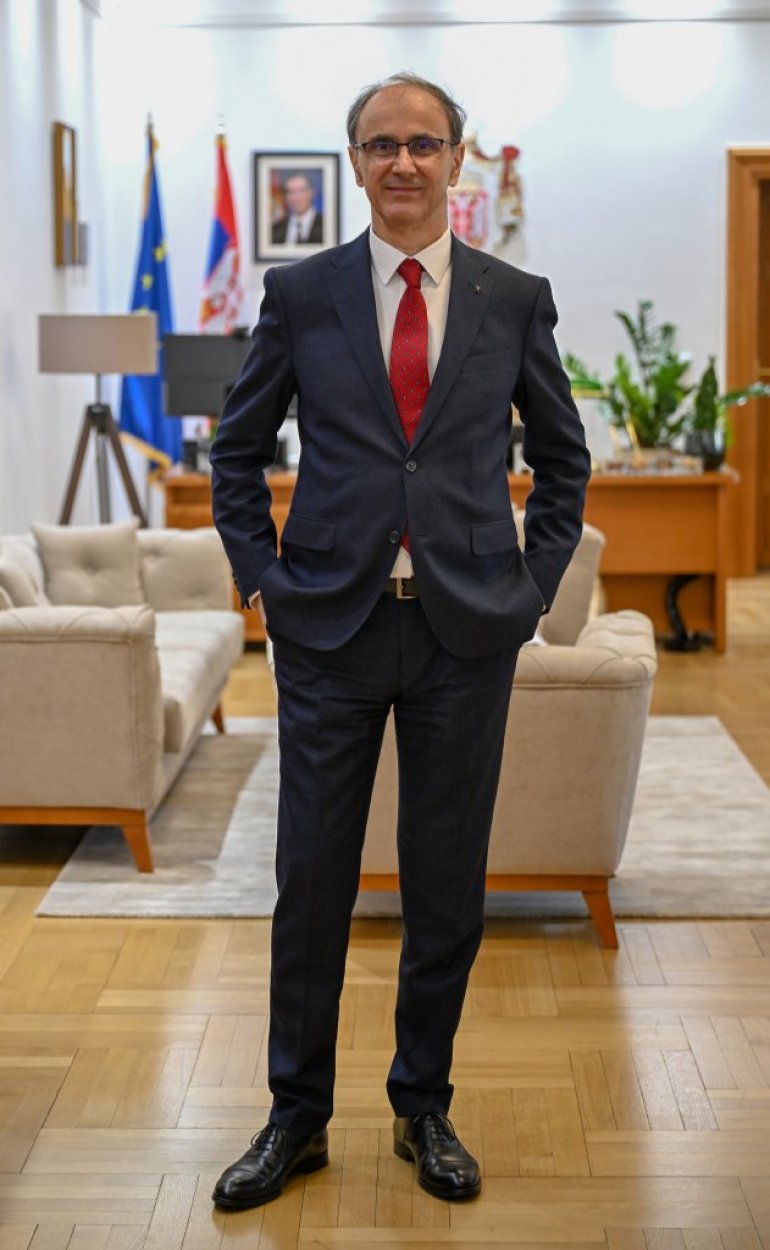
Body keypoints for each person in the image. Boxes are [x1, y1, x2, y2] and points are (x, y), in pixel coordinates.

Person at [210, 71, 591, 1211]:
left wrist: (528, 590)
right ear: (356, 163)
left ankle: (422, 1104)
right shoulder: (303, 293)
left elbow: (562, 460)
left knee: (445, 881)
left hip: (464, 633)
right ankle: (295, 1114)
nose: (404, 163)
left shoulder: (513, 298)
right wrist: (264, 583)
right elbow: (236, 454)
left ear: (456, 159)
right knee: (310, 878)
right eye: (382, 145)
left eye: (424, 144)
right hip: (329, 628)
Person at [270, 171, 324, 244]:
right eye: (290, 192)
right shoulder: (276, 229)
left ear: (312, 193)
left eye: (301, 191)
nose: (296, 198)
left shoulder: (326, 225)